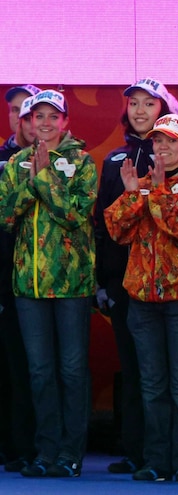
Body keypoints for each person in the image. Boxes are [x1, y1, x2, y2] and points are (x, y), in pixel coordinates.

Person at [93, 77, 178, 475]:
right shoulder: (141, 185)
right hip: (142, 298)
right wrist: (132, 193)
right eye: (158, 142)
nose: (163, 148)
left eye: (171, 142)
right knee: (151, 385)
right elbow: (116, 229)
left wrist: (155, 193)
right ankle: (156, 461)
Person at [0, 89, 96, 478]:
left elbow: (75, 215)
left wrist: (45, 180)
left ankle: (71, 454)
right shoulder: (16, 161)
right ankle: (46, 451)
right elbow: (5, 214)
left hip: (71, 283)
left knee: (71, 370)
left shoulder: (82, 161)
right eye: (36, 117)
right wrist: (32, 178)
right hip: (29, 284)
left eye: (52, 117)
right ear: (26, 122)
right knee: (39, 372)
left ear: (66, 122)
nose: (44, 123)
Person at [0, 85, 40, 473]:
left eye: (35, 115)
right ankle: (11, 445)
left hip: (43, 282)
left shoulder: (69, 161)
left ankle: (34, 446)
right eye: (18, 113)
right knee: (9, 366)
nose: (26, 121)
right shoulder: (3, 161)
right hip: (5, 279)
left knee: (40, 367)